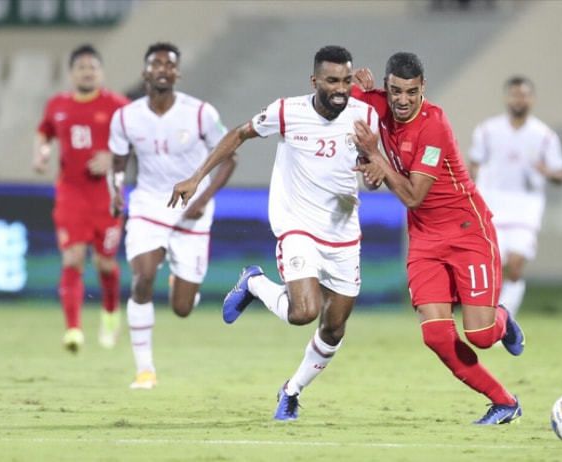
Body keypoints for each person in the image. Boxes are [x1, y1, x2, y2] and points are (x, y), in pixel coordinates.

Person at [169, 45, 379, 421]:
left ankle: (291, 390)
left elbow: (373, 177)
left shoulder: (365, 117)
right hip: (297, 225)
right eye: (332, 80)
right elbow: (238, 134)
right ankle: (254, 283)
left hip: (344, 232)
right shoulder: (287, 112)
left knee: (332, 330)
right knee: (304, 312)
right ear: (314, 80)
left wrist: (373, 166)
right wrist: (196, 178)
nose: (341, 88)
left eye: (347, 80)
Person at [351, 52, 525, 425]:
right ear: (386, 85)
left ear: (422, 89)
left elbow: (414, 195)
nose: (402, 100)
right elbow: (336, 93)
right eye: (395, 91)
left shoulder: (434, 124)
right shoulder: (375, 104)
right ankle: (504, 402)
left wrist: (375, 158)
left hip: (467, 231)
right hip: (425, 239)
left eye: (411, 92)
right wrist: (368, 165)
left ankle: (501, 319)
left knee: (479, 335)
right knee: (435, 335)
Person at [108, 42, 236, 389]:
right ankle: (145, 370)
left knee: (182, 308)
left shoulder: (200, 114)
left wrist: (202, 197)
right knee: (142, 277)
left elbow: (229, 159)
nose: (163, 68)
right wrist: (116, 191)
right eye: (156, 63)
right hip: (149, 205)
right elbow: (118, 164)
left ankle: (181, 284)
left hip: (192, 212)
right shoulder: (125, 117)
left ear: (177, 73)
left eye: (170, 64)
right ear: (145, 72)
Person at [34, 44, 129, 353]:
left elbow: (137, 142)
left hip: (107, 195)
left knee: (104, 263)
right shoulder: (57, 105)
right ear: (72, 72)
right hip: (71, 194)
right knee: (73, 257)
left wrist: (112, 157)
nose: (88, 71)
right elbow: (44, 133)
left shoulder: (118, 105)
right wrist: (42, 154)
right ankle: (73, 328)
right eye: (82, 67)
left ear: (101, 72)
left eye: (93, 67)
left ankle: (111, 312)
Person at [468, 76, 562, 318]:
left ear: (531, 99)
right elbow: (474, 164)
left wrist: (548, 172)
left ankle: (504, 320)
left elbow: (561, 173)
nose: (519, 99)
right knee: (493, 265)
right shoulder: (487, 130)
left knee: (515, 264)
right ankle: (487, 315)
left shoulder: (544, 136)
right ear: (506, 98)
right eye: (514, 94)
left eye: (523, 95)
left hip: (526, 207)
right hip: (493, 205)